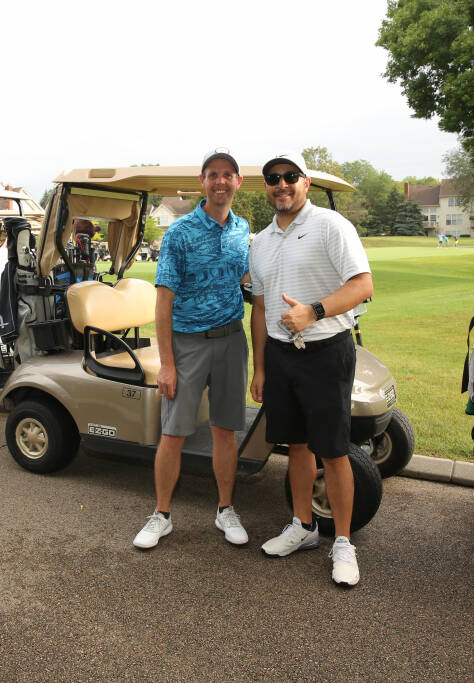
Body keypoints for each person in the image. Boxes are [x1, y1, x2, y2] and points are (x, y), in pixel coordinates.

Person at [249, 150, 373, 587]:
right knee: (296, 446)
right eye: (272, 178)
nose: (281, 185)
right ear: (265, 186)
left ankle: (342, 542)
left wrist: (314, 311)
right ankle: (302, 527)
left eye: (289, 177)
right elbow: (261, 308)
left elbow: (362, 285)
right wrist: (260, 367)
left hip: (326, 352)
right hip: (281, 357)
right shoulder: (261, 242)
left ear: (304, 182)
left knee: (334, 450)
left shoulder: (331, 225)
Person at [133, 148, 251, 550]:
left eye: (227, 175)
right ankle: (161, 514)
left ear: (238, 182)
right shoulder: (180, 233)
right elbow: (163, 300)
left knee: (225, 431)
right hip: (187, 344)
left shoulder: (242, 229)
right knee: (175, 431)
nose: (220, 181)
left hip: (232, 340)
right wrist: (167, 364)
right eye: (212, 174)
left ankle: (225, 509)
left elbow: (246, 279)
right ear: (203, 182)